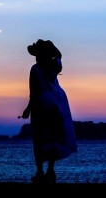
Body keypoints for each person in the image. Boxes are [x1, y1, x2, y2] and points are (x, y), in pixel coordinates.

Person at [18, 39, 77, 184]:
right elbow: (59, 55)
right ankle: (50, 170)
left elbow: (34, 92)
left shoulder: (36, 69)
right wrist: (51, 48)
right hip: (57, 103)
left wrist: (28, 109)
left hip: (42, 105)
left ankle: (40, 172)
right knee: (53, 138)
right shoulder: (54, 66)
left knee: (40, 139)